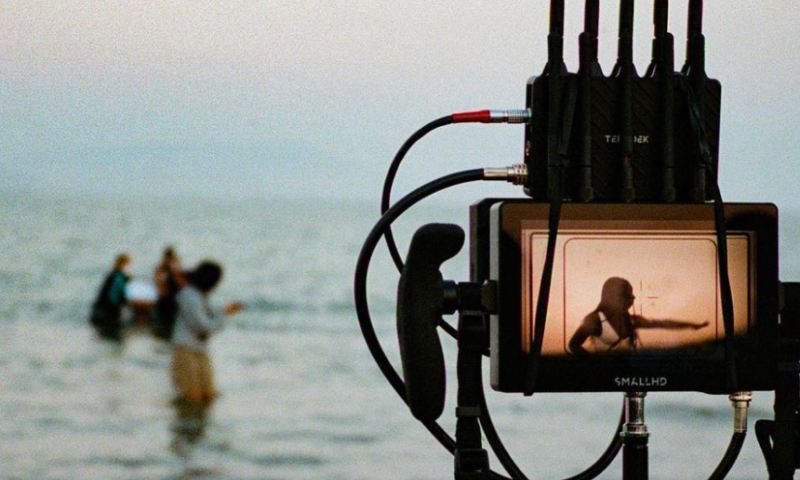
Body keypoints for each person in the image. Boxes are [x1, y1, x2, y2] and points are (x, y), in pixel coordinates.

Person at [568, 277, 710, 355]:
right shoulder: (594, 319)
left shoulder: (631, 321)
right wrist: (596, 365)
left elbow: (662, 323)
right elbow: (573, 345)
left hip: (628, 372)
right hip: (607, 376)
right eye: (627, 294)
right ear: (612, 296)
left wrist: (691, 325)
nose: (633, 298)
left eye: (632, 294)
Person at [171, 260, 242, 405]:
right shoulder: (189, 296)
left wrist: (223, 311)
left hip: (198, 349)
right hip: (186, 350)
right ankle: (187, 425)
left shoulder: (197, 295)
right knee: (193, 397)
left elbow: (203, 317)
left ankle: (199, 425)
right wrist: (224, 315)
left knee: (209, 395)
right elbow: (203, 326)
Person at [89, 253, 131, 342]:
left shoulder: (113, 275)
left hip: (101, 309)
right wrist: (126, 303)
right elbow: (114, 296)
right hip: (108, 311)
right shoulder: (118, 277)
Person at [152, 246, 185, 341]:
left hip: (168, 300)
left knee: (165, 326)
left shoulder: (164, 268)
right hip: (168, 300)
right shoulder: (165, 269)